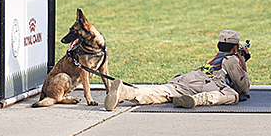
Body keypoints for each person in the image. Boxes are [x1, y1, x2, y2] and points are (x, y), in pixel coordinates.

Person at [104, 30, 250, 111]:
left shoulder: (216, 57)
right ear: (235, 47)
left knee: (160, 93)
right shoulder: (232, 59)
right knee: (233, 95)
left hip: (188, 78)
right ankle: (196, 100)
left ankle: (126, 92)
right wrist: (242, 63)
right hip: (208, 84)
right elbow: (243, 89)